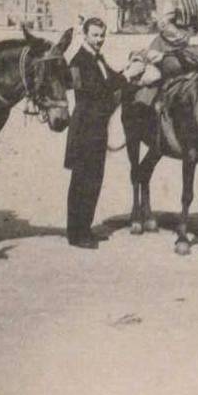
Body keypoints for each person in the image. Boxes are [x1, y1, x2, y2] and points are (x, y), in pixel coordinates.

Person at [63, 18, 126, 249]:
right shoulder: (78, 62)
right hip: (84, 128)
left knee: (94, 180)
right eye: (95, 35)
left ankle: (85, 228)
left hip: (97, 128)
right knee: (81, 180)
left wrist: (129, 72)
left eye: (102, 35)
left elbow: (114, 80)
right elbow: (94, 90)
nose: (99, 40)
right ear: (85, 35)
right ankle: (76, 233)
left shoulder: (98, 59)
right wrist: (126, 78)